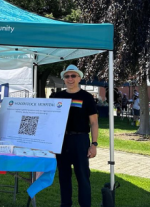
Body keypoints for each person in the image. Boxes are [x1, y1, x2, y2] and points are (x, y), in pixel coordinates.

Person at [53, 64, 98, 207]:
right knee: (64, 177)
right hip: (62, 141)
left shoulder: (87, 97)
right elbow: (49, 120)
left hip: (80, 140)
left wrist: (94, 144)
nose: (70, 78)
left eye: (73, 75)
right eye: (67, 76)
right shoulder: (56, 96)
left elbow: (94, 122)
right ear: (63, 79)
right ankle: (65, 204)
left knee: (83, 177)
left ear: (79, 77)